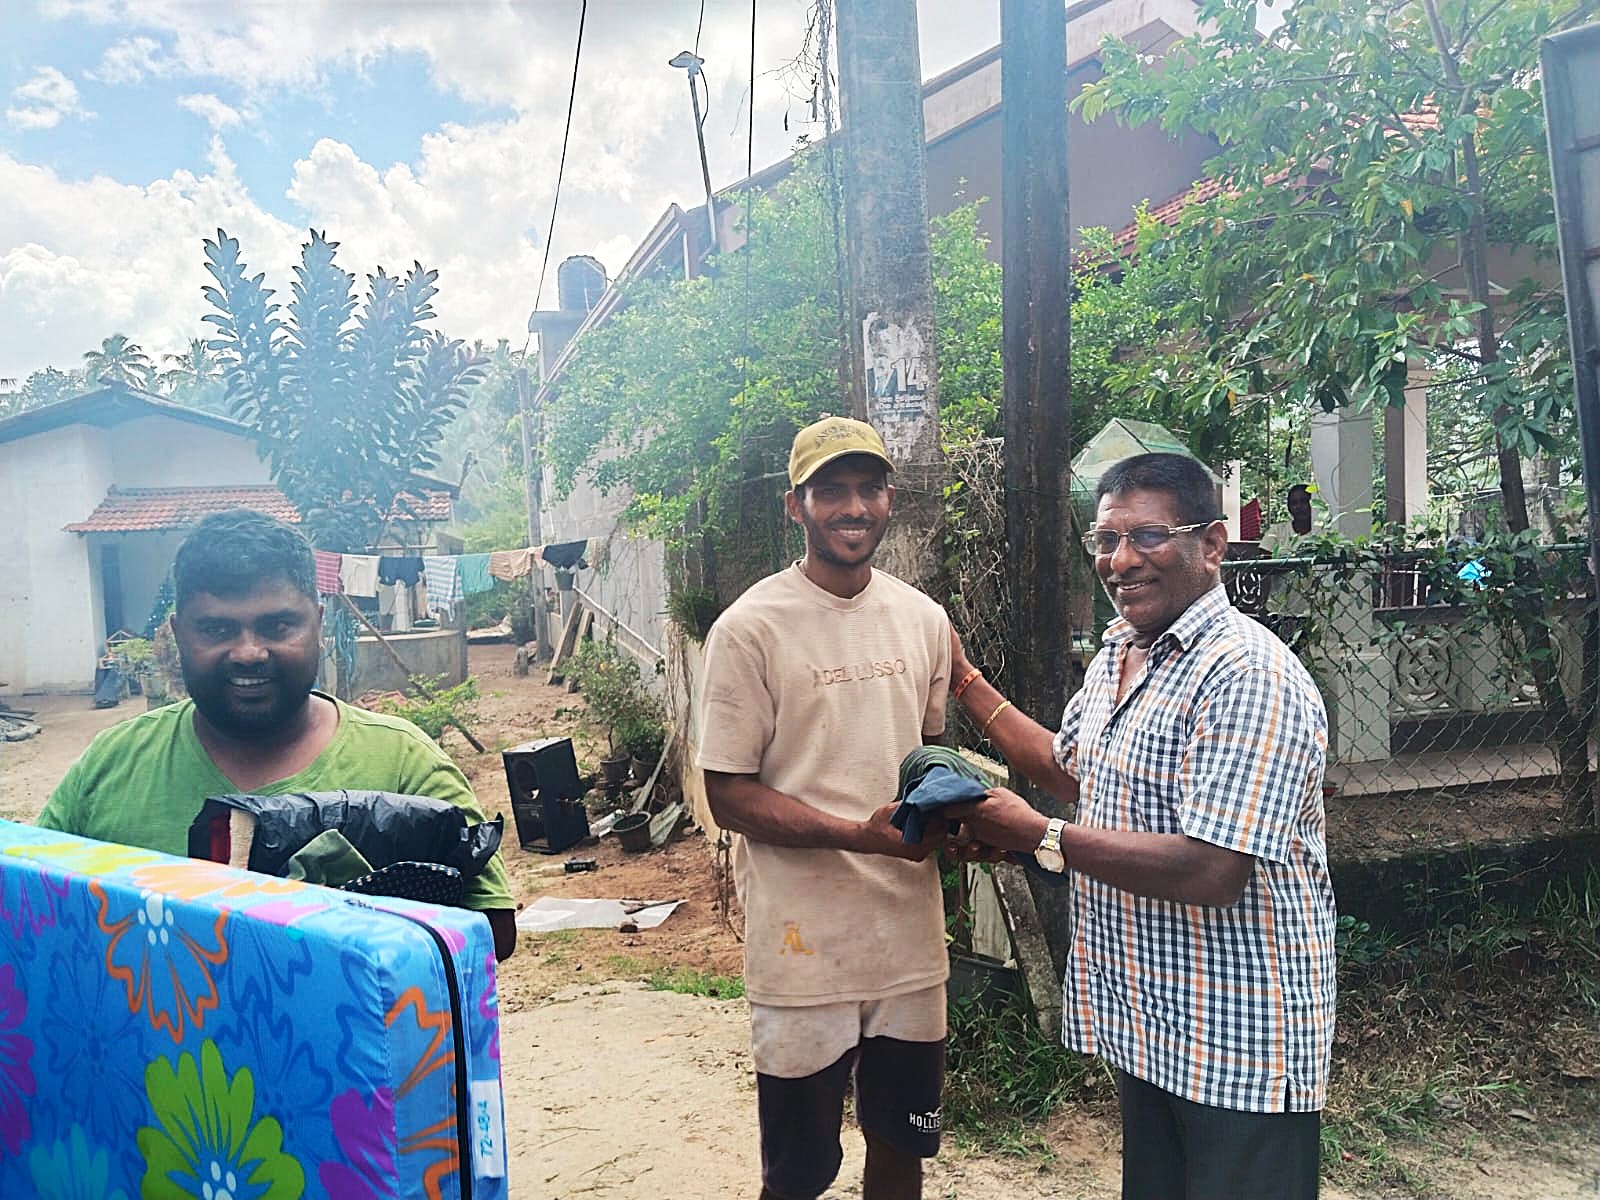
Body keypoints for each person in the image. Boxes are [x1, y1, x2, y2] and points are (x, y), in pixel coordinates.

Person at [947, 452, 1334, 1200]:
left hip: (1238, 1036)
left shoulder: (1247, 674)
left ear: (1212, 544)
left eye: (1149, 536)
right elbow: (1072, 770)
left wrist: (1041, 836)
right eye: (1106, 539)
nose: (1121, 560)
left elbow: (1212, 868)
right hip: (1151, 1022)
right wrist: (964, 679)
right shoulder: (1122, 652)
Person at [37, 509, 518, 961]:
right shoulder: (111, 765)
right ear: (178, 634)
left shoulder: (403, 763)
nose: (248, 652)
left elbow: (492, 934)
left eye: (278, 626)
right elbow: (28, 908)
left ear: (319, 625)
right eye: (217, 629)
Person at [696, 414, 953, 1200]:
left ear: (889, 499)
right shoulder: (750, 630)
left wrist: (962, 819)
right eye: (831, 490)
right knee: (799, 1172)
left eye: (869, 488)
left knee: (901, 1150)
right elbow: (726, 795)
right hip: (801, 949)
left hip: (908, 945)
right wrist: (858, 836)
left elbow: (926, 763)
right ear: (795, 506)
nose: (854, 507)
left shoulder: (923, 619)